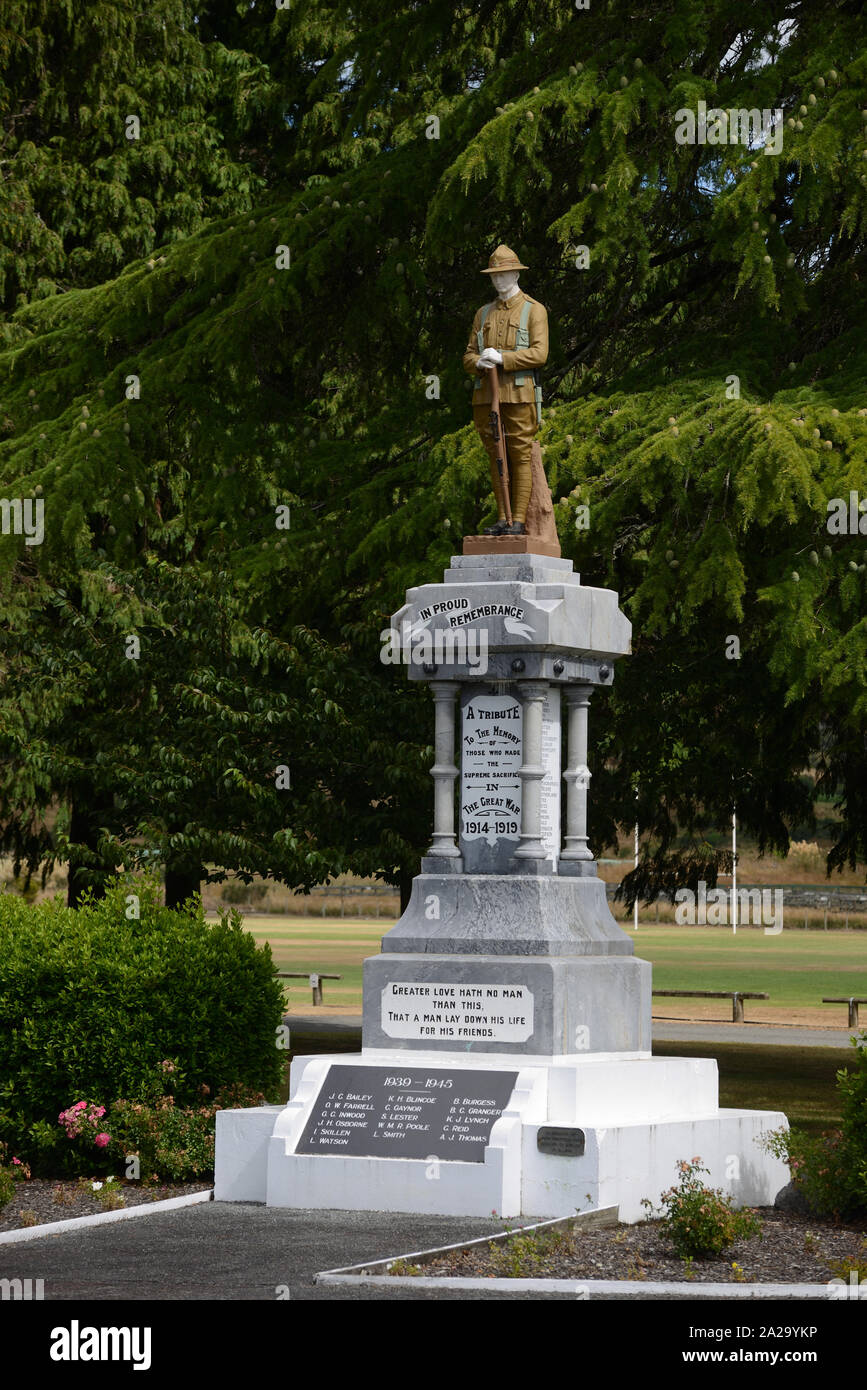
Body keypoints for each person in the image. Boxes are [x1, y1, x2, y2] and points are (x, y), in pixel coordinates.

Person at [463, 245, 549, 536]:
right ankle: (503, 518)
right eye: (494, 276)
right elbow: (468, 356)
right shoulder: (483, 313)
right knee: (495, 455)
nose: (498, 281)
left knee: (519, 454)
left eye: (504, 274)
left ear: (515, 273)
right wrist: (480, 362)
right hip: (486, 396)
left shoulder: (533, 310)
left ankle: (519, 521)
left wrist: (504, 359)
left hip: (520, 394)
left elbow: (540, 354)